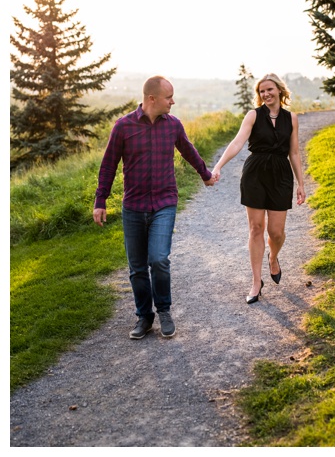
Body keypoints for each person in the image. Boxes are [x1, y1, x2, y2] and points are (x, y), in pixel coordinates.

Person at [93, 76, 217, 340]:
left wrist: (205, 174)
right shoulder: (123, 127)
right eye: (168, 97)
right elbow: (109, 165)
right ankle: (144, 317)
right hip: (134, 207)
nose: (173, 101)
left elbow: (188, 150)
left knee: (158, 259)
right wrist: (100, 200)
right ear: (152, 99)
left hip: (164, 202)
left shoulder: (173, 125)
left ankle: (163, 310)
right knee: (137, 267)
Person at [211, 73, 305, 304]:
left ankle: (273, 257)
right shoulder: (253, 115)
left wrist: (301, 183)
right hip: (255, 174)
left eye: (270, 89)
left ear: (280, 91)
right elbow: (237, 142)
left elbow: (293, 152)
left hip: (281, 174)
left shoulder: (291, 118)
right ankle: (256, 282)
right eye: (262, 91)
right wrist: (219, 165)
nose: (266, 94)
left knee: (276, 232)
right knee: (256, 228)